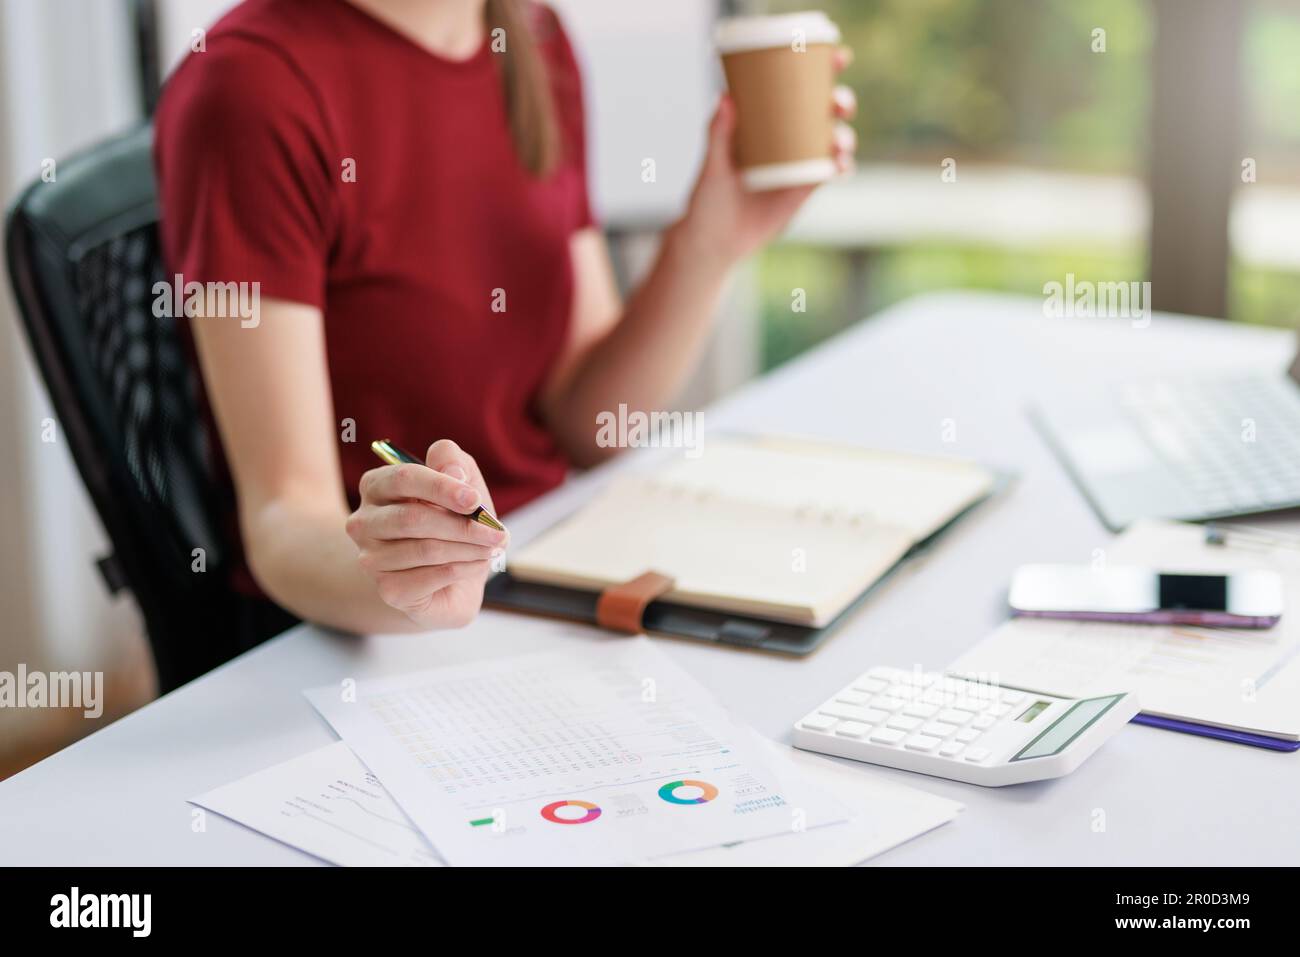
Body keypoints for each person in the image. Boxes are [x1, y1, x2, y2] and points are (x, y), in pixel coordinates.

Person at [154, 0, 856, 636]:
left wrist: (709, 244)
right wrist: (414, 574)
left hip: (548, 564)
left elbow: (589, 423)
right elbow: (284, 518)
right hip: (367, 634)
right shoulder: (250, 86)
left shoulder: (533, 36)